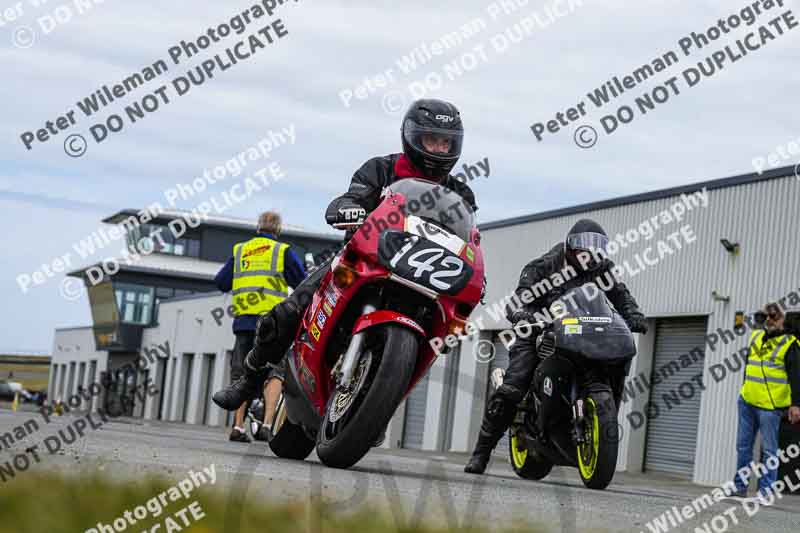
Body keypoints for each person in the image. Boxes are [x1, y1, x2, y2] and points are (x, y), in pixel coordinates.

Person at [213, 98, 477, 412]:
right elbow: (354, 197)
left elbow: (469, 240)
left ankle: (376, 408)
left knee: (443, 333)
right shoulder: (380, 169)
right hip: (364, 260)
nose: (438, 149)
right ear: (412, 137)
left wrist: (476, 271)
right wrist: (348, 207)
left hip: (423, 277)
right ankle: (249, 379)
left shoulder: (461, 194)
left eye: (445, 143)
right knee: (287, 312)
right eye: (431, 140)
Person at [464, 219, 648, 474]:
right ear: (570, 246)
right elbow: (518, 301)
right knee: (513, 387)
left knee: (611, 362)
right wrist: (524, 315)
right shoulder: (544, 266)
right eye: (584, 246)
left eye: (596, 247)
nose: (590, 252)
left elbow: (621, 295)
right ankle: (481, 454)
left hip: (581, 331)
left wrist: (633, 315)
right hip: (537, 330)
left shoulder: (602, 268)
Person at [214, 211, 306, 442]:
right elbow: (302, 282)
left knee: (242, 373)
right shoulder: (282, 251)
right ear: (278, 229)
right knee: (275, 372)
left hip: (244, 323)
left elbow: (221, 282)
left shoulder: (240, 250)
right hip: (272, 324)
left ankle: (238, 427)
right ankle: (266, 425)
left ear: (258, 227)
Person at [729, 303, 800, 501]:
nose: (768, 320)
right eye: (764, 316)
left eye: (773, 316)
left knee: (769, 450)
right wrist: (743, 391)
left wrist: (796, 404)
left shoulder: (790, 343)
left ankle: (765, 492)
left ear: (782, 319)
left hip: (770, 406)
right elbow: (749, 367)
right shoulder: (755, 337)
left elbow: (796, 376)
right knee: (743, 447)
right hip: (747, 401)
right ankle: (740, 487)